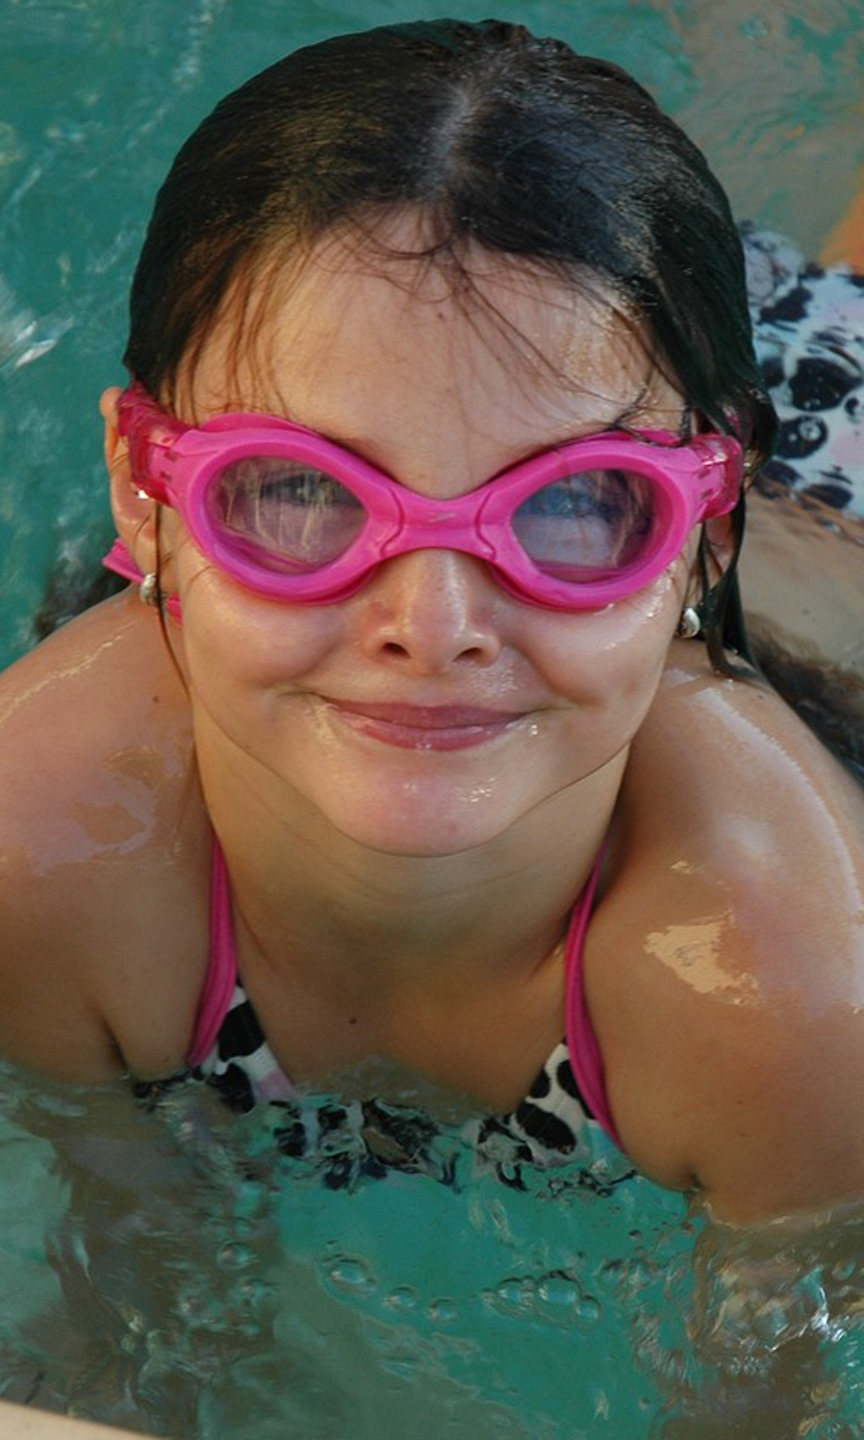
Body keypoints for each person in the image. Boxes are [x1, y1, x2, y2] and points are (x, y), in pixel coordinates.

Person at [0, 18, 862, 1227]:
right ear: (143, 499)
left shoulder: (794, 996)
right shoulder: (37, 860)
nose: (435, 623)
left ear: (707, 539)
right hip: (589, 356)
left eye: (576, 501)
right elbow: (126, 1283)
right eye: (297, 491)